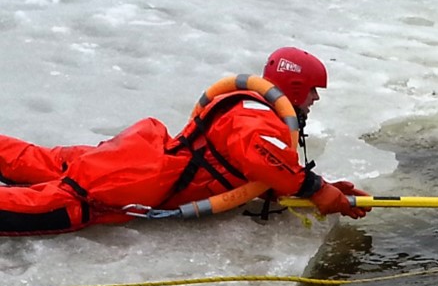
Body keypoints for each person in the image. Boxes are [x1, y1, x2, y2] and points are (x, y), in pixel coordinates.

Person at [0, 47, 369, 235]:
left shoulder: (247, 108)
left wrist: (322, 190)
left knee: (33, 159)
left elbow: (253, 173)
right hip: (130, 182)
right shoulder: (258, 121)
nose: (316, 101)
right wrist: (316, 188)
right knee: (41, 206)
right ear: (297, 88)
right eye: (313, 93)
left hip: (137, 162)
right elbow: (260, 158)